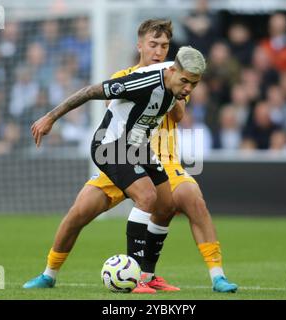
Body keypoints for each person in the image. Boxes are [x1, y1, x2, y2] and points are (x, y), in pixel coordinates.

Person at [24, 19, 237, 294]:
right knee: (87, 211)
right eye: (153, 44)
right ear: (140, 46)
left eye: (164, 45)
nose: (159, 50)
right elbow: (91, 92)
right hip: (111, 148)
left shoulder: (180, 79)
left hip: (139, 149)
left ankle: (148, 276)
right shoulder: (137, 79)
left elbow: (178, 111)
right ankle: (54, 274)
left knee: (166, 202)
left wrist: (179, 91)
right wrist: (50, 118)